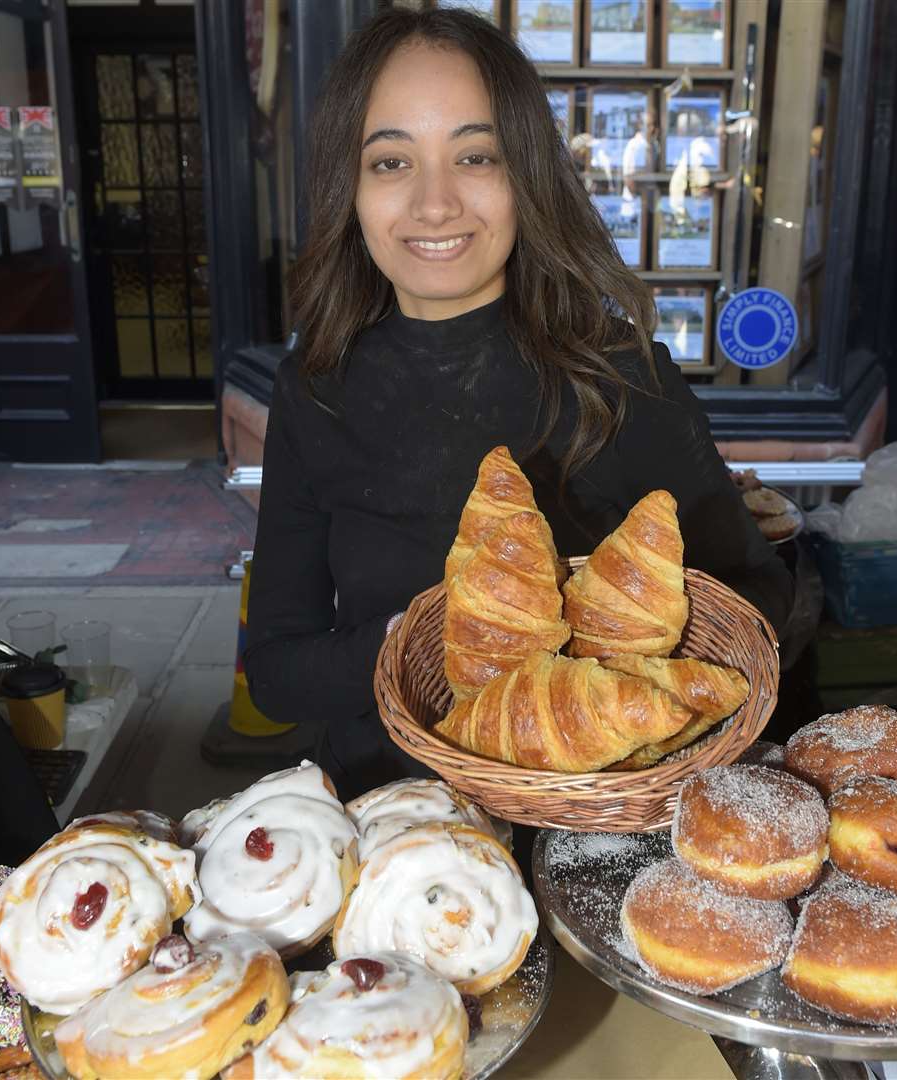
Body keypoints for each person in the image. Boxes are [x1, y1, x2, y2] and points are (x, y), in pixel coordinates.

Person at [244, 8, 793, 802]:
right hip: (391, 824)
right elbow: (275, 673)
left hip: (592, 827)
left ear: (525, 175)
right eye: (391, 162)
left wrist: (613, 669)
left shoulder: (617, 375)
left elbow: (756, 596)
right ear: (349, 188)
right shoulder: (314, 386)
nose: (435, 204)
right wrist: (419, 643)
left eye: (474, 155)